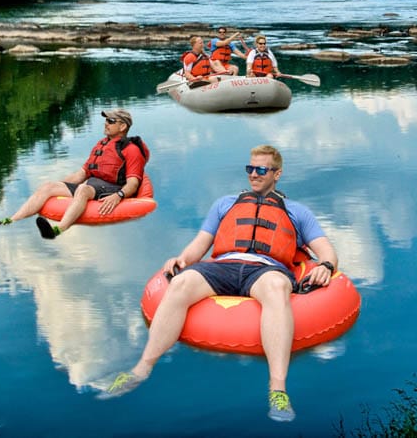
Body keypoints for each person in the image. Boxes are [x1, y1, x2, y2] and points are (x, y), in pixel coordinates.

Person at [100, 145, 338, 423]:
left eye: (261, 170)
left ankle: (278, 389)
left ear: (277, 174)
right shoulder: (225, 203)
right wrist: (182, 258)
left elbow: (326, 251)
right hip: (223, 267)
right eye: (250, 168)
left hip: (265, 270)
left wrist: (326, 266)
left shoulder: (297, 211)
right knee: (182, 283)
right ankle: (141, 369)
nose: (254, 174)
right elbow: (200, 245)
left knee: (276, 288)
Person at [0, 108, 148, 239]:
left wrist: (118, 195)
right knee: (48, 186)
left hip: (112, 187)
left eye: (111, 120)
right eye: (106, 120)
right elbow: (83, 172)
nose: (106, 123)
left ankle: (57, 229)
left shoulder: (131, 150)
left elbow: (133, 183)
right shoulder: (101, 144)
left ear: (123, 126)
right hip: (94, 184)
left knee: (83, 189)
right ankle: (9, 220)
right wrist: (59, 186)